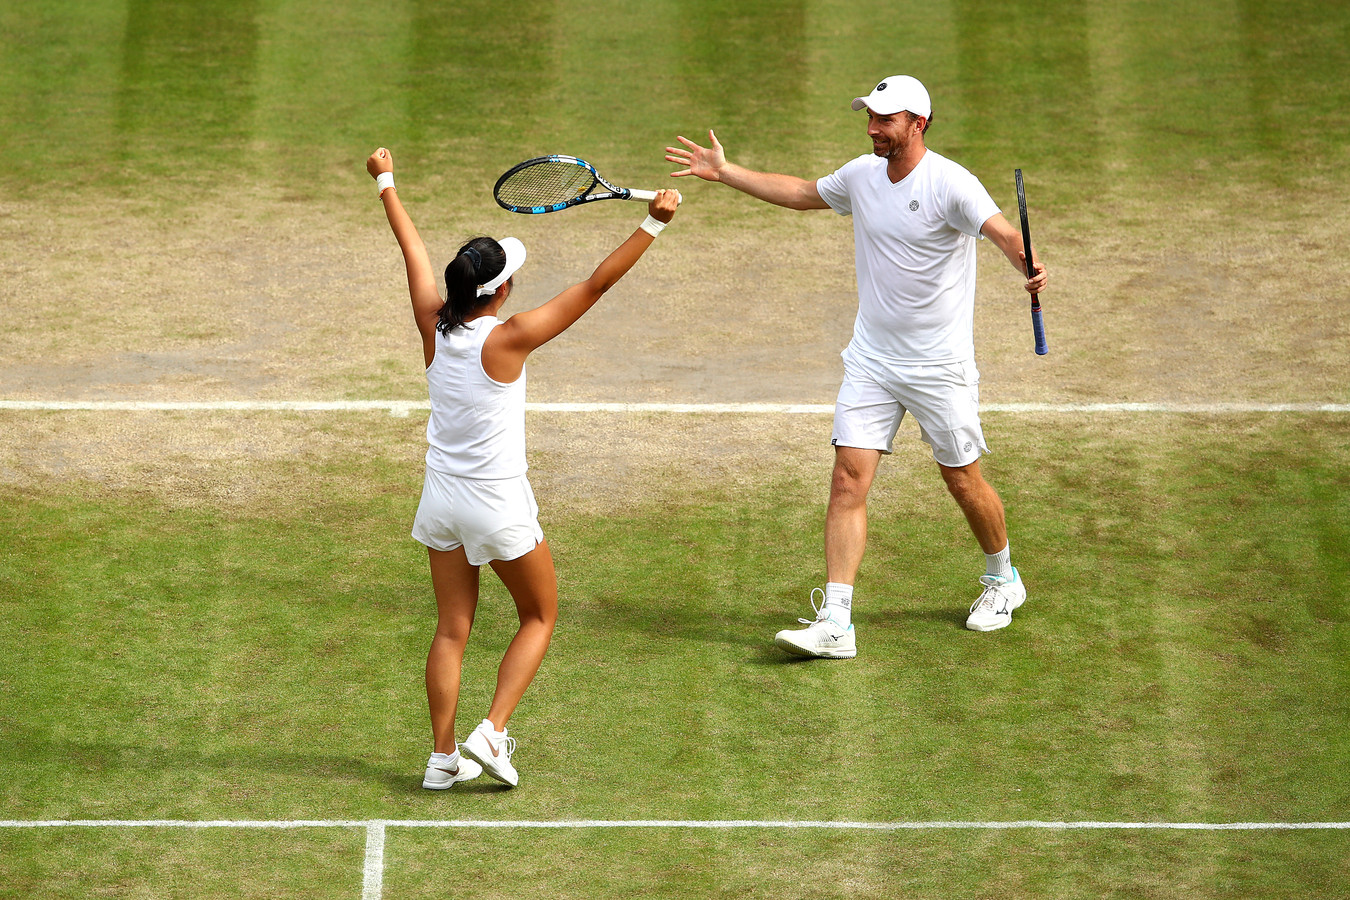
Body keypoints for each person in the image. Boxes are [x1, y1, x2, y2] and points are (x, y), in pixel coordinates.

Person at [666, 75, 1048, 657]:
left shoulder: (951, 183)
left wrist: (1029, 263)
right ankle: (837, 622)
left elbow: (1000, 230)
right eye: (869, 117)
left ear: (917, 124)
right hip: (871, 358)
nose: (872, 128)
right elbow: (800, 192)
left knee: (961, 478)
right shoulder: (861, 176)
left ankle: (1004, 578)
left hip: (938, 366)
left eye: (885, 120)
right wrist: (726, 172)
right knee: (848, 478)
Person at [366, 147, 680, 785]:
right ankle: (494, 729)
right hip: (498, 505)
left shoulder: (432, 322)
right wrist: (655, 223)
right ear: (500, 290)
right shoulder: (511, 338)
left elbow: (413, 253)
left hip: (440, 501)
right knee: (539, 615)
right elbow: (594, 285)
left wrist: (387, 181)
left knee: (452, 629)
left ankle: (442, 758)